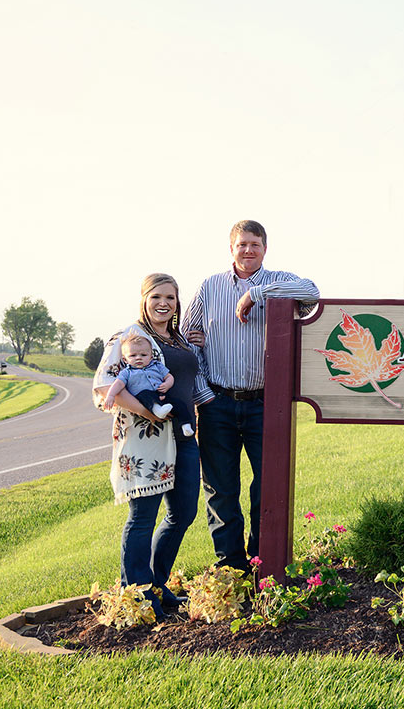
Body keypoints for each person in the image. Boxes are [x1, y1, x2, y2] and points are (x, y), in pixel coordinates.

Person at [181, 220, 319, 573]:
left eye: (254, 244)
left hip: (265, 404)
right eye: (241, 244)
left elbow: (313, 291)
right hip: (217, 403)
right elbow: (188, 341)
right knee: (221, 490)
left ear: (265, 249)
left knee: (267, 489)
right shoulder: (210, 287)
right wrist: (203, 395)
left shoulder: (282, 282)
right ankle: (231, 568)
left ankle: (262, 562)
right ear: (231, 249)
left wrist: (255, 294)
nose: (248, 250)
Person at [92, 273, 212, 617]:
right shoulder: (129, 337)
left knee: (183, 513)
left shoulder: (177, 340)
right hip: (147, 440)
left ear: (178, 303)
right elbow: (104, 386)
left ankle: (157, 585)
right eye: (156, 296)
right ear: (144, 299)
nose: (164, 304)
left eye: (171, 298)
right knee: (143, 516)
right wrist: (150, 412)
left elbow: (189, 378)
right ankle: (137, 596)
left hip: (185, 437)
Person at [102, 334, 195, 436]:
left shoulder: (157, 365)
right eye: (133, 355)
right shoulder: (127, 372)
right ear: (125, 359)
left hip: (161, 394)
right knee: (146, 394)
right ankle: (157, 409)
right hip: (142, 397)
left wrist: (167, 384)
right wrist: (110, 395)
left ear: (151, 356)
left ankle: (186, 425)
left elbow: (169, 377)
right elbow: (118, 384)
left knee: (179, 404)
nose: (138, 358)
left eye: (143, 355)